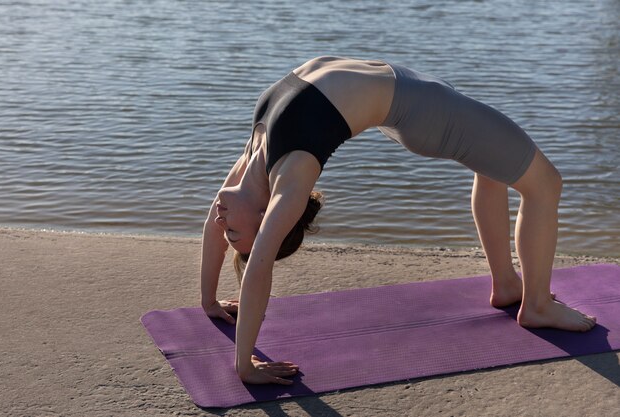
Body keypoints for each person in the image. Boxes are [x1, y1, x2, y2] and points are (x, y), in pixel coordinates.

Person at [199, 56, 597, 385]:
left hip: (412, 99)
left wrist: (208, 300)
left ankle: (508, 285)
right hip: (425, 112)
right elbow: (261, 265)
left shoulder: (254, 158)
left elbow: (212, 227)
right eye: (234, 231)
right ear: (266, 215)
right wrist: (245, 365)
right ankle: (539, 305)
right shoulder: (291, 174)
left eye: (228, 230)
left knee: (492, 165)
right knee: (546, 185)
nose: (221, 220)